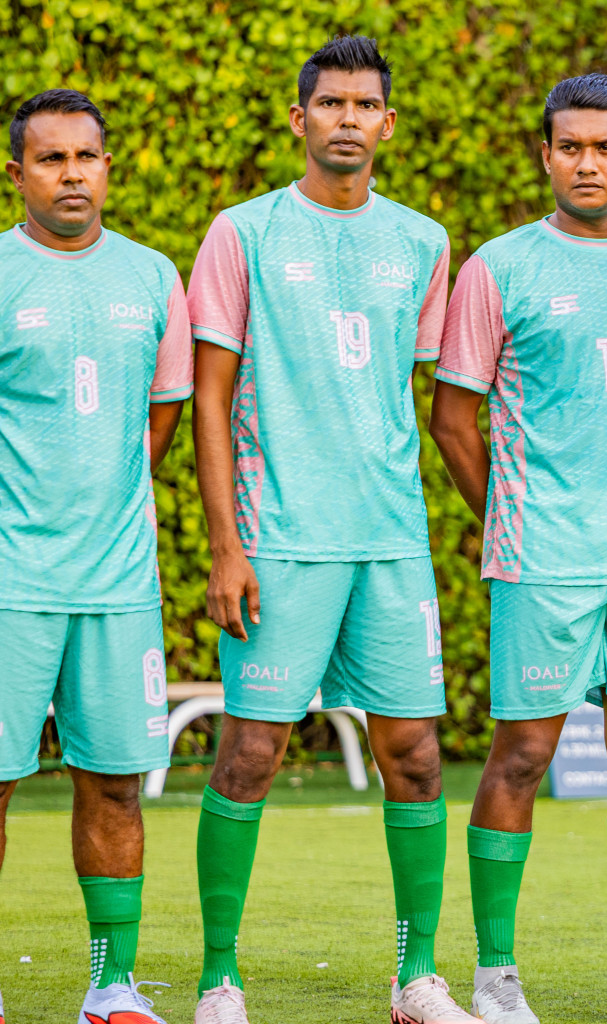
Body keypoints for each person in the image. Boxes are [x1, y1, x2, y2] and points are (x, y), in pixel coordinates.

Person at [185, 35, 473, 1024]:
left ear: (387, 125)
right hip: (280, 540)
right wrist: (227, 546)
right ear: (300, 118)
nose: (348, 118)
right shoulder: (243, 233)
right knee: (250, 752)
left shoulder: (425, 243)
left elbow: (424, 397)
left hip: (390, 542)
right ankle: (220, 977)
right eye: (331, 103)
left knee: (420, 757)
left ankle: (419, 976)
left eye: (366, 105)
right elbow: (209, 399)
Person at [430, 73, 607, 1024]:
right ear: (545, 156)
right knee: (521, 756)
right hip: (541, 550)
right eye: (570, 147)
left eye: (605, 146)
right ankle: (496, 977)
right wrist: (511, 511)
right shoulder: (498, 266)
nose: (587, 162)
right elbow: (454, 417)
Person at [0, 88, 192, 1024]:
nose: (72, 174)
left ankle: (111, 988)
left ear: (107, 166)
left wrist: (103, 503)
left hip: (119, 587)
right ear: (18, 173)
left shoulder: (154, 277)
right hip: (9, 584)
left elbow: (160, 418)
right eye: (51, 159)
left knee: (115, 781)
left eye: (87, 157)